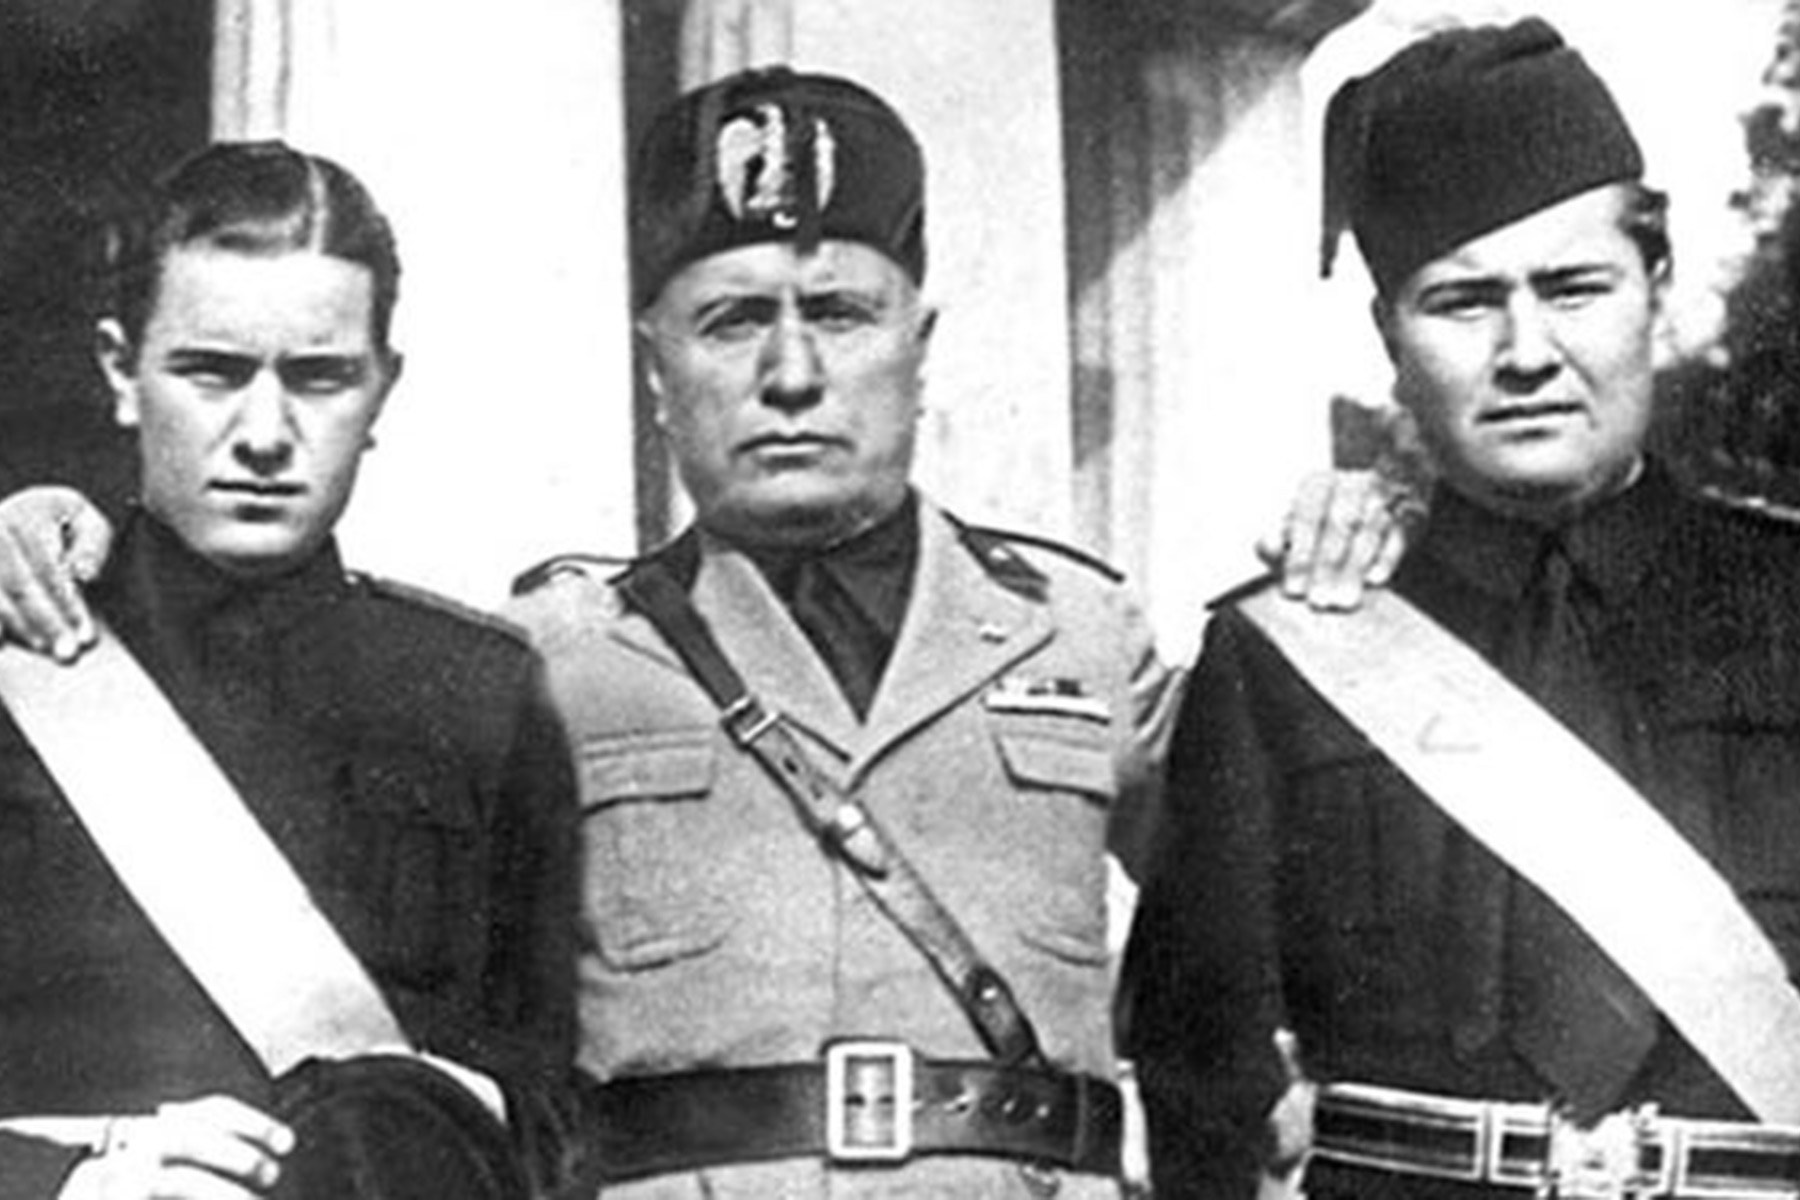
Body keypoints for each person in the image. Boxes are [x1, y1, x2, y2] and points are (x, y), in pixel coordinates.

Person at [0, 71, 1408, 1199]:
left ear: (922, 340)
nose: (791, 373)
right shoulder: (544, 660)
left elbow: (1324, 938)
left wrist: (1393, 518)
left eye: (839, 313)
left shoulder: (1084, 635)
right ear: (655, 366)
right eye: (731, 321)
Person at [1122, 17, 1800, 1199]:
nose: (1526, 350)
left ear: (1655, 289)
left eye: (1574, 287)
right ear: (1389, 338)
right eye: (1462, 301)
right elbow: (1198, 1079)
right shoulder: (1289, 651)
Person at [0, 141, 578, 1200]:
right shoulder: (19, 665)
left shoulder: (481, 694)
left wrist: (457, 1124)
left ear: (383, 389)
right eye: (212, 372)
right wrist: (74, 1181)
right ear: (121, 371)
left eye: (319, 378)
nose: (265, 434)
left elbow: (569, 1109)